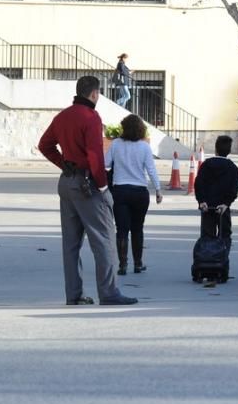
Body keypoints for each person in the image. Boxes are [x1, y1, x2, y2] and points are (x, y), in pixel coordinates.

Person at [38, 75, 137, 306]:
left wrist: (64, 164)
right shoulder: (91, 117)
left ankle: (73, 294)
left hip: (67, 182)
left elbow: (45, 145)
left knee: (71, 244)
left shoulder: (62, 116)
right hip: (87, 185)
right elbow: (95, 156)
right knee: (104, 239)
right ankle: (109, 293)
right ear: (94, 94)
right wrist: (103, 187)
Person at [105, 114, 162, 275]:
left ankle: (122, 265)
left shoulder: (116, 144)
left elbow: (105, 163)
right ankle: (138, 263)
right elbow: (151, 170)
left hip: (120, 191)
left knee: (121, 229)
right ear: (140, 129)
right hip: (139, 193)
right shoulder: (144, 147)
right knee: (137, 228)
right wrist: (158, 189)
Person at [195, 135, 238, 247]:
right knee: (225, 235)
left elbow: (199, 184)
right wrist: (226, 203)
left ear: (215, 149)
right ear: (229, 151)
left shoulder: (206, 165)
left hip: (207, 206)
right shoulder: (232, 168)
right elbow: (234, 188)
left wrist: (202, 201)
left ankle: (206, 260)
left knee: (207, 236)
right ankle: (222, 259)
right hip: (223, 208)